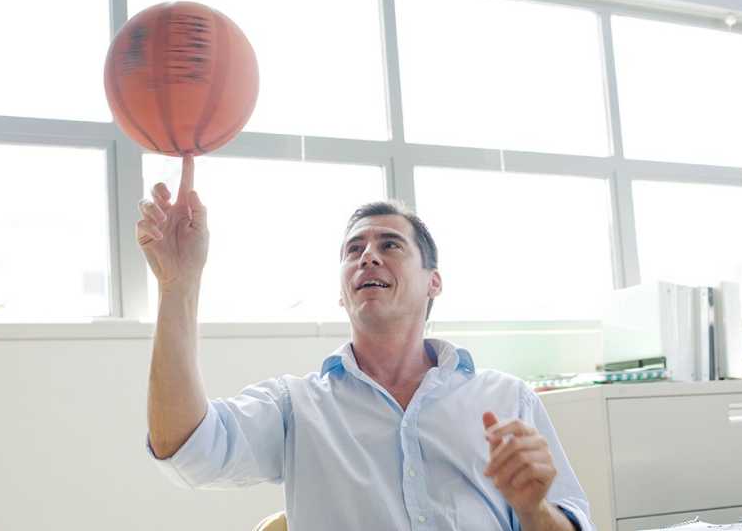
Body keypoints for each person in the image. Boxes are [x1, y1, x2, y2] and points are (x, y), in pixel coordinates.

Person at [136, 161, 593, 531]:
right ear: (342, 291)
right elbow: (186, 446)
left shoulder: (506, 399)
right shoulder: (296, 408)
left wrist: (535, 512)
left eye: (390, 244)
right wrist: (178, 284)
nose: (368, 256)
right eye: (353, 250)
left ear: (433, 282)